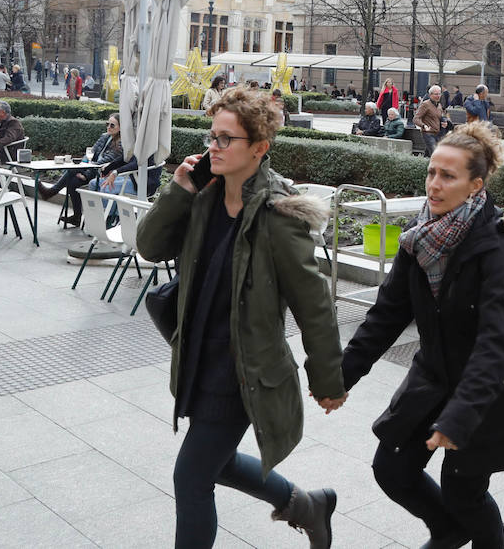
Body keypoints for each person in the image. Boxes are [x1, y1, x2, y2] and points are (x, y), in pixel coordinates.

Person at [135, 89, 346, 549]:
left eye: (227, 139)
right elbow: (149, 247)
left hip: (244, 372)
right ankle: (308, 506)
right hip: (198, 361)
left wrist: (328, 380)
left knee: (191, 478)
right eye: (213, 136)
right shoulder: (203, 197)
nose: (214, 146)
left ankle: (308, 506)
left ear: (258, 148)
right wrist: (180, 188)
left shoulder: (277, 216)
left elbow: (315, 305)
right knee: (219, 462)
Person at [341, 123, 504, 548]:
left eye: (447, 176)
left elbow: (499, 341)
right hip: (432, 381)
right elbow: (387, 313)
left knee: (464, 492)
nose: (434, 185)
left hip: (487, 393)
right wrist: (341, 374)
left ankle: (463, 529)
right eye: (432, 172)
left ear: (475, 185)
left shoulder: (496, 248)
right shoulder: (420, 237)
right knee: (392, 469)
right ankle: (448, 531)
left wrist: (459, 417)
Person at [38, 114, 123, 226]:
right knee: (72, 183)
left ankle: (51, 192)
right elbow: (90, 153)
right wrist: (83, 166)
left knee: (71, 171)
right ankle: (77, 217)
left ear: (120, 128)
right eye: (107, 124)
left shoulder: (121, 143)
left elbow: (105, 161)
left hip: (102, 173)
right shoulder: (104, 137)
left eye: (112, 125)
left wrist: (86, 174)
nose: (109, 127)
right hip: (90, 168)